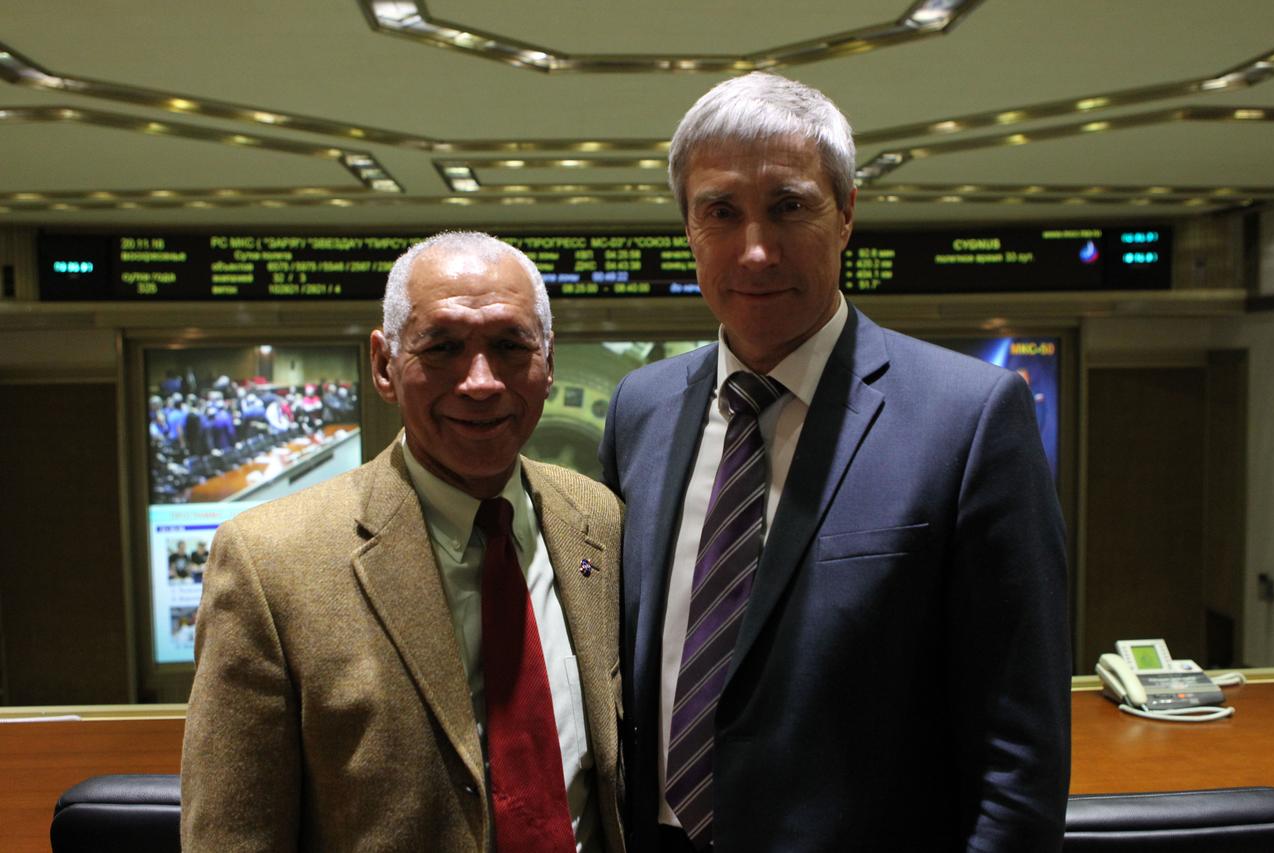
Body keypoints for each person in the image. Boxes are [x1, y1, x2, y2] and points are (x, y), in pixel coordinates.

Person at [600, 73, 1071, 851]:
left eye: (789, 206)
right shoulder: (639, 408)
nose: (755, 250)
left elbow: (1018, 749)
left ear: (846, 213)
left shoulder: (971, 417)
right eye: (721, 212)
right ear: (689, 226)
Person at [183, 232, 626, 852]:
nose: (480, 381)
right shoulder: (269, 562)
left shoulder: (600, 523)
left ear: (548, 361)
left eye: (509, 346)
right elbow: (234, 836)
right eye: (442, 347)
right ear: (384, 365)